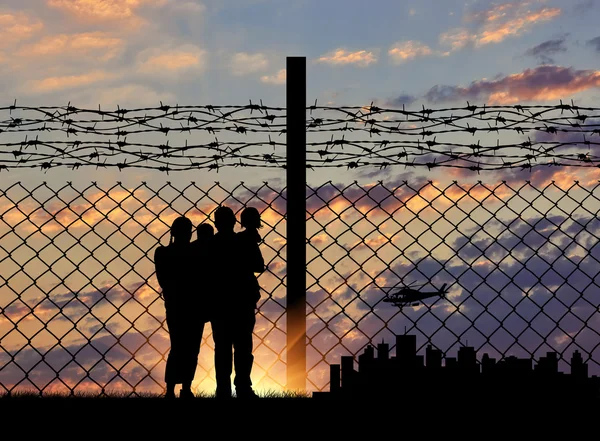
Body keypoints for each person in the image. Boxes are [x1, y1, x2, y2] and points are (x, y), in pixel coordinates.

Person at [210, 206, 264, 399]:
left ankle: (223, 389)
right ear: (234, 222)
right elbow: (259, 266)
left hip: (220, 303)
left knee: (223, 348)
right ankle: (242, 387)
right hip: (241, 301)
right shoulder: (243, 241)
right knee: (242, 347)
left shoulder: (210, 245)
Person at [154, 216, 203, 399]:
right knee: (184, 347)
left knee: (186, 348)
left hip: (184, 305)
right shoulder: (173, 253)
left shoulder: (165, 253)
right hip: (184, 305)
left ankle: (180, 389)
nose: (187, 235)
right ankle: (176, 389)